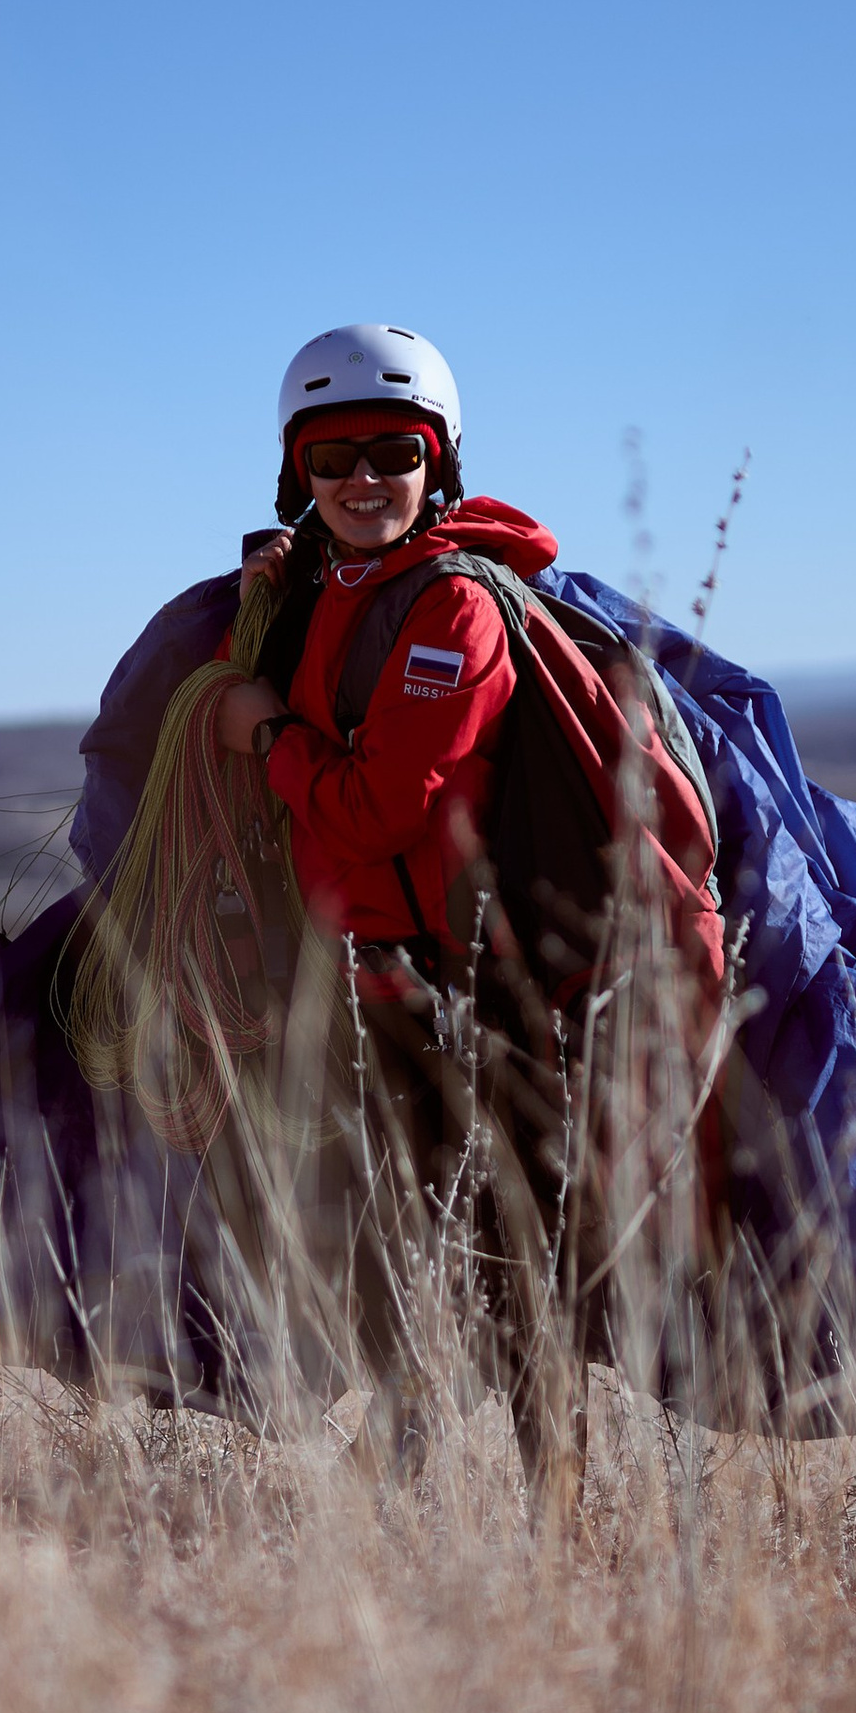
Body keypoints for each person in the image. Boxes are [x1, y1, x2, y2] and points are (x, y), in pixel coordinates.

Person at [206, 323, 722, 1476]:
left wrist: (266, 731)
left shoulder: (453, 610)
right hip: (367, 988)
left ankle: (548, 1523)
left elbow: (380, 806)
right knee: (397, 1243)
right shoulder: (329, 589)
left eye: (392, 452)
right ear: (297, 473)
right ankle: (408, 1470)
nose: (362, 481)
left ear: (436, 461)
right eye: (332, 459)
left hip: (474, 997)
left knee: (505, 1257)